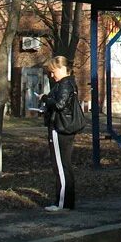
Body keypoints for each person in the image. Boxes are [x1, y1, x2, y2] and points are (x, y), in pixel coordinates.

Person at [40, 55, 80, 211]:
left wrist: (45, 99)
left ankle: (61, 203)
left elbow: (59, 104)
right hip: (65, 127)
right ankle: (67, 202)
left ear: (61, 68)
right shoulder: (69, 83)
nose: (51, 75)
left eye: (53, 71)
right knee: (65, 165)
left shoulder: (64, 84)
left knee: (61, 166)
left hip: (59, 128)